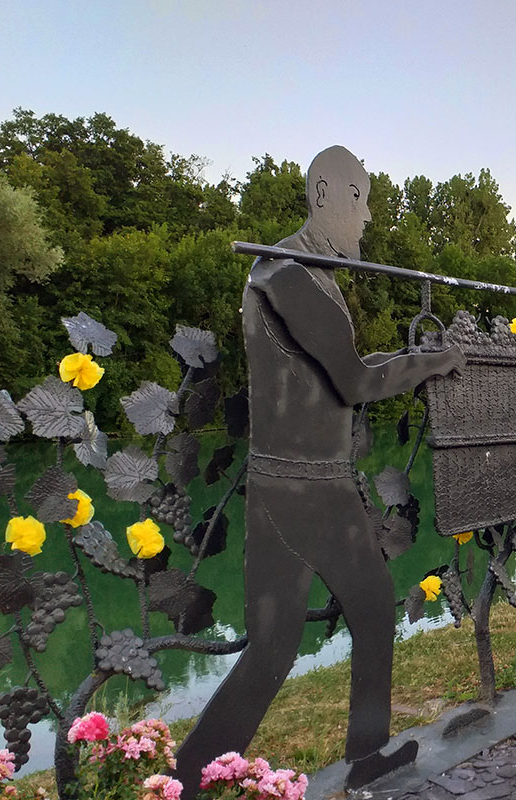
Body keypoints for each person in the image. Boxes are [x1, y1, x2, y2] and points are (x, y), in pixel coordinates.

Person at [173, 146, 463, 793]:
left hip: (281, 482)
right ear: (324, 193)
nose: (365, 219)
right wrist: (431, 364)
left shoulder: (301, 275)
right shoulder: (290, 277)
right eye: (358, 199)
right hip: (311, 486)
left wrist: (416, 355)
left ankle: (182, 781)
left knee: (272, 654)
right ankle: (364, 759)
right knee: (374, 609)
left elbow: (338, 367)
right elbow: (356, 380)